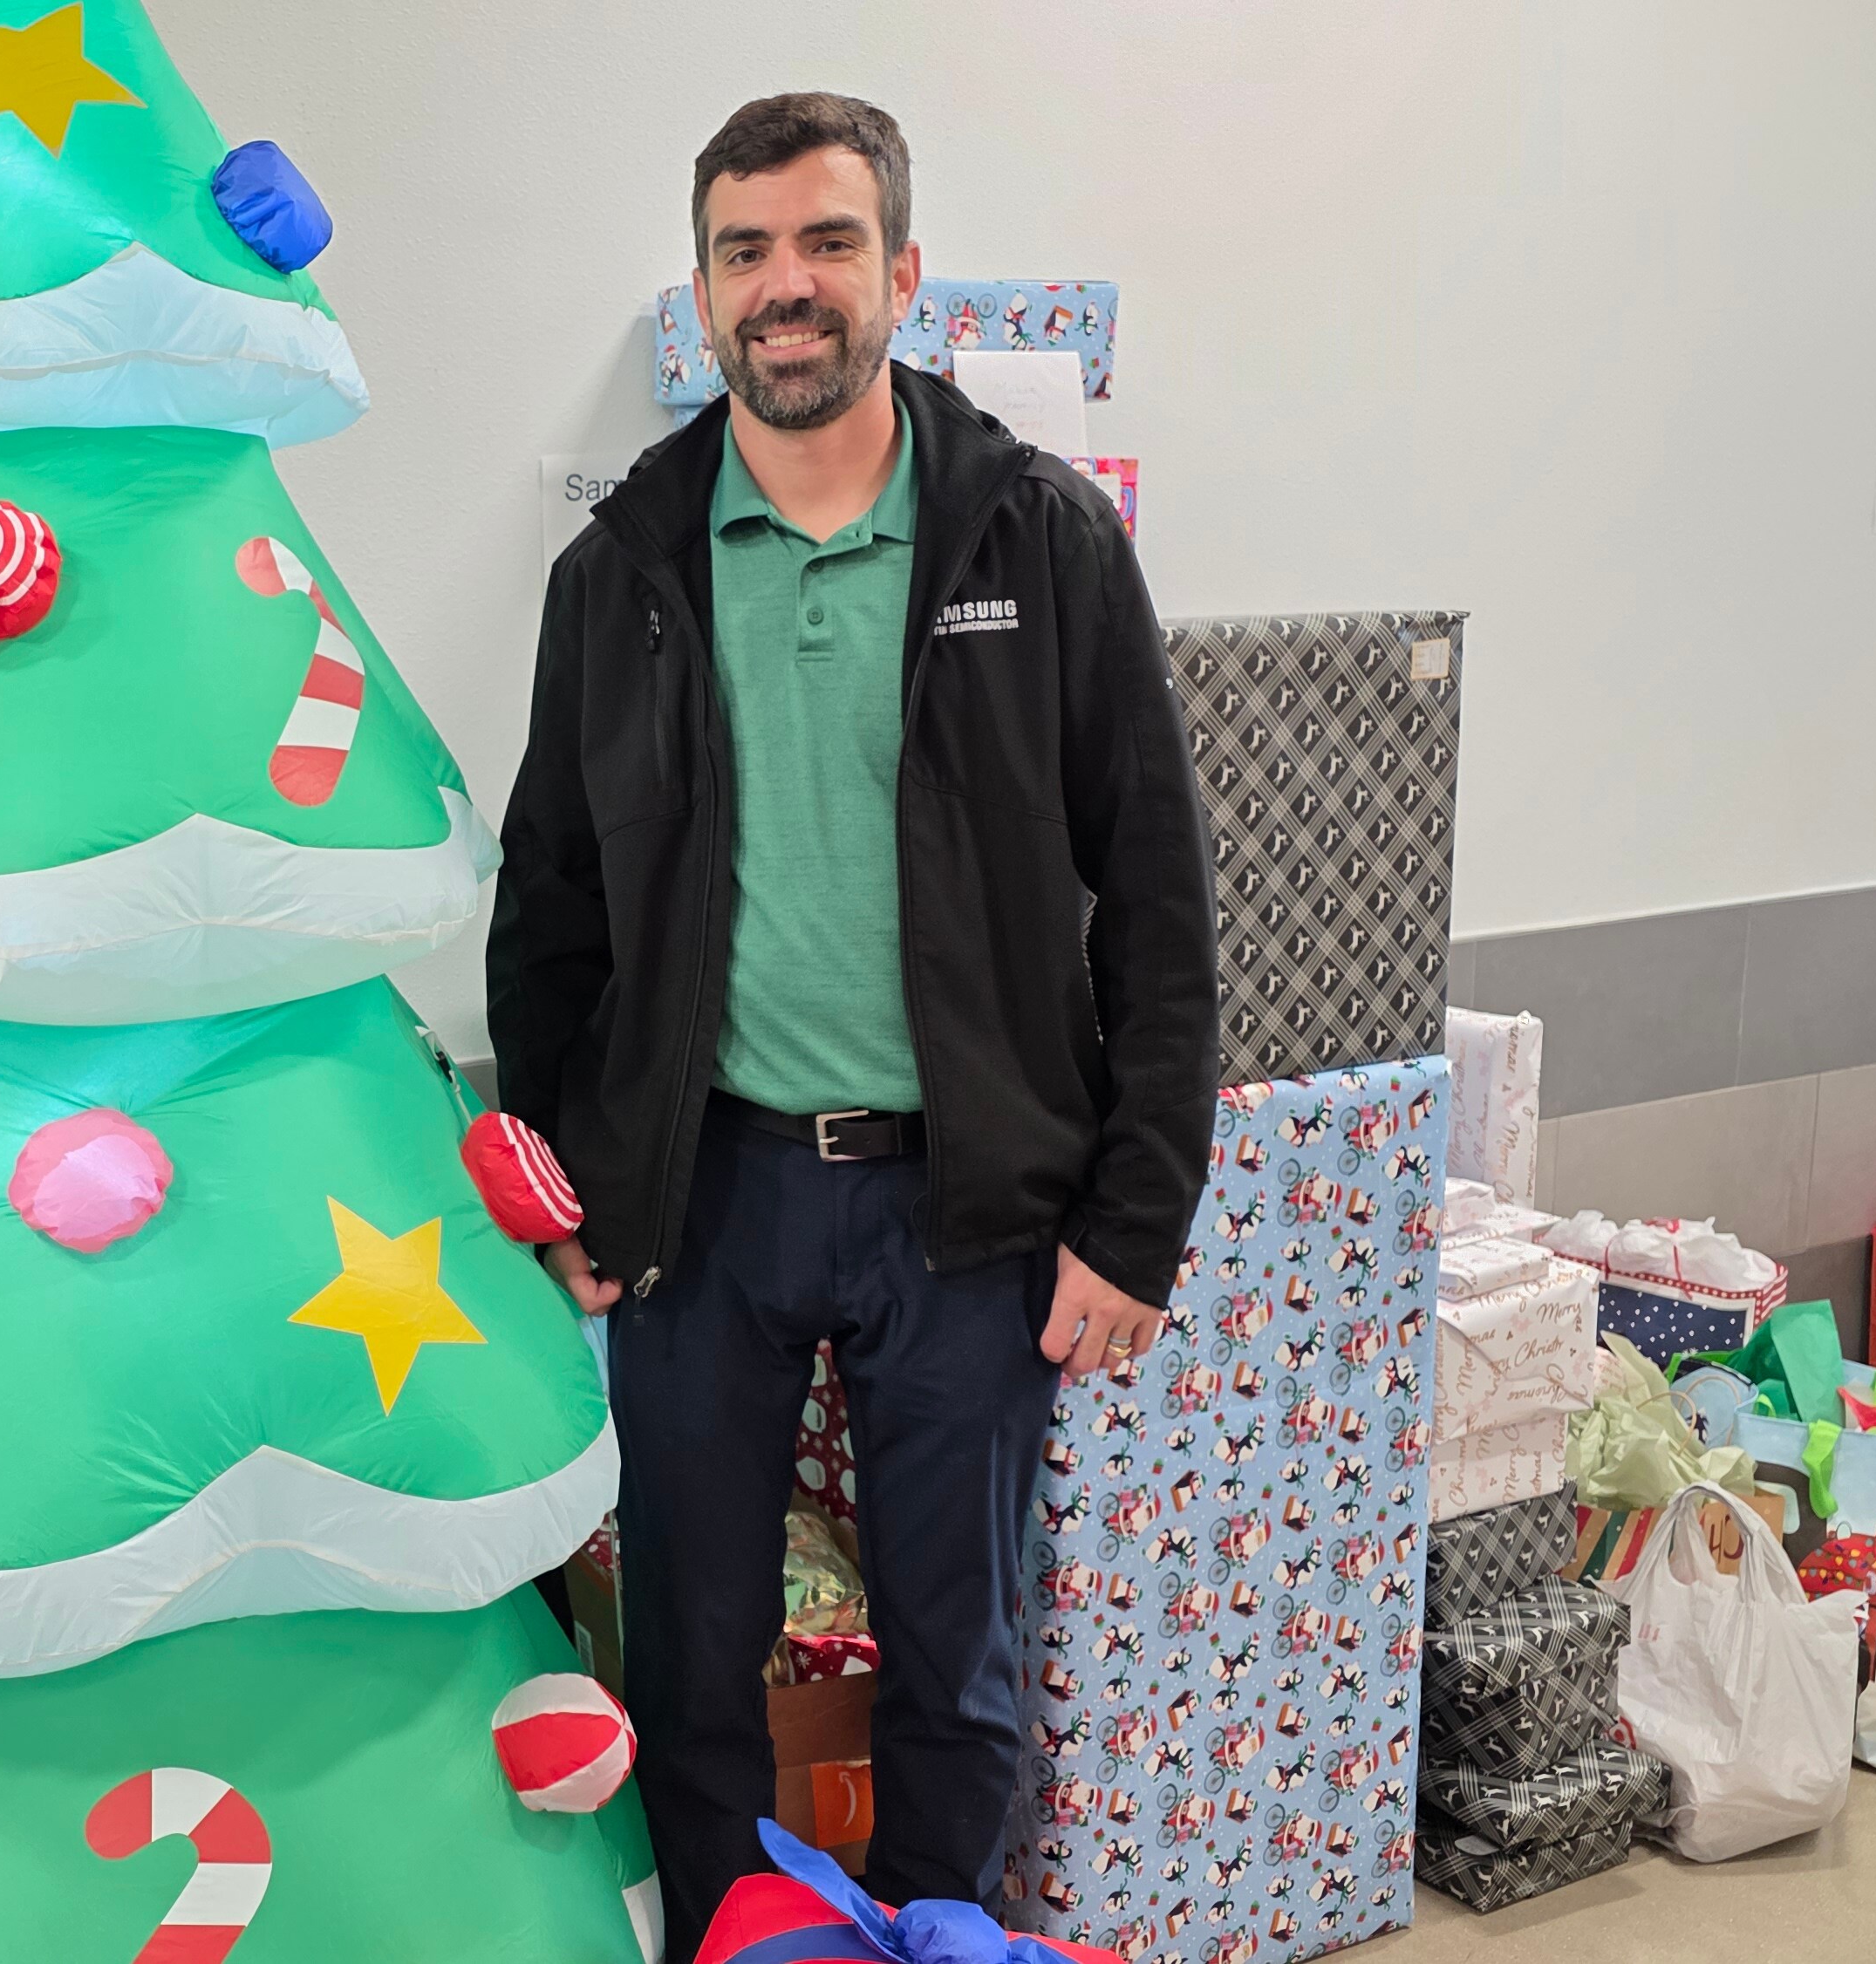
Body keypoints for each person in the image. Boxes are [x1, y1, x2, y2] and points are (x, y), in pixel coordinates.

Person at [487, 95, 1217, 1954]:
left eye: (822, 246)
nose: (782, 288)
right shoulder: (625, 574)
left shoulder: (1033, 543)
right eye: (742, 252)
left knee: (958, 1662)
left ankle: (933, 1934)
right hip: (702, 1205)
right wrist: (576, 1187)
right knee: (697, 1654)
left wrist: (1130, 1222)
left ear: (900, 274)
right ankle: (736, 1938)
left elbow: (1151, 900)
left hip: (964, 1214)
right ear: (706, 290)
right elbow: (548, 904)